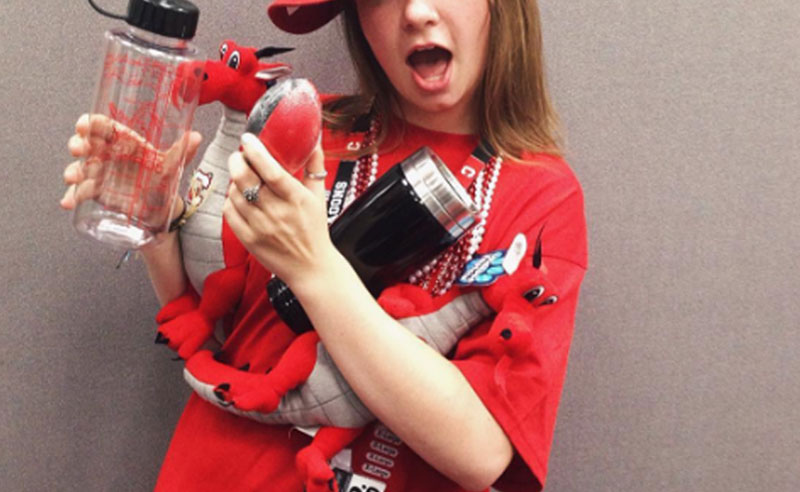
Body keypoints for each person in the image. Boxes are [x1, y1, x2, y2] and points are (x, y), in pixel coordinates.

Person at [61, 0, 588, 490]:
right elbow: (221, 328)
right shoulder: (304, 122)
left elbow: (482, 453)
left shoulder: (542, 194)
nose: (415, 12)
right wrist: (152, 218)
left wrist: (314, 269)